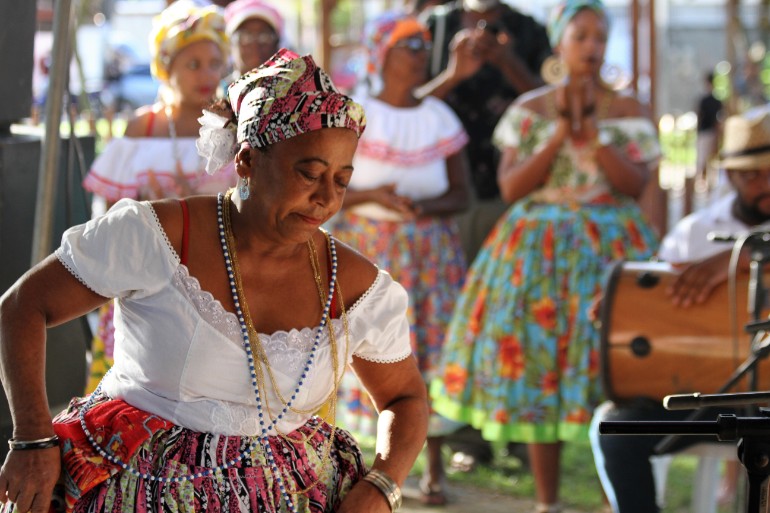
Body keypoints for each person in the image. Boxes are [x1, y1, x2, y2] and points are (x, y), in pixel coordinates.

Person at [0, 48, 428, 513]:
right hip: (132, 485)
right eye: (309, 173)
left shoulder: (357, 285)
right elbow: (22, 305)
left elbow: (405, 397)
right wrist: (31, 438)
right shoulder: (156, 236)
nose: (326, 199)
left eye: (342, 181)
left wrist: (382, 485)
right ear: (246, 161)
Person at [428, 2, 661, 512]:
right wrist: (558, 133)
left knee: (611, 369)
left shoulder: (630, 110)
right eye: (581, 36)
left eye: (600, 37)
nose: (592, 48)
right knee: (537, 364)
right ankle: (547, 502)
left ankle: (615, 499)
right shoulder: (530, 110)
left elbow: (636, 183)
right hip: (536, 251)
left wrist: (593, 137)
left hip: (608, 252)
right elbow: (512, 185)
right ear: (560, 42)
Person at [590, 105, 770, 513]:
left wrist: (740, 259)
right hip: (706, 395)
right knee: (617, 429)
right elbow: (656, 299)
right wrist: (626, 307)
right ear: (730, 175)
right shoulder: (695, 232)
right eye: (753, 174)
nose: (767, 183)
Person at [329, 12, 470, 506]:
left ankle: (429, 468)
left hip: (430, 251)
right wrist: (377, 195)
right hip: (368, 247)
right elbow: (329, 184)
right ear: (380, 52)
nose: (417, 54)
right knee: (358, 350)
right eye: (407, 45)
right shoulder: (356, 112)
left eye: (421, 46)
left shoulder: (438, 117)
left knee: (425, 350)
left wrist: (420, 207)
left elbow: (462, 193)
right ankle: (356, 463)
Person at [80, 1, 237, 394]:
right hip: (147, 274)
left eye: (214, 62)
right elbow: (108, 214)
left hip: (219, 275)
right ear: (167, 66)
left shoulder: (235, 129)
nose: (207, 74)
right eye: (193, 63)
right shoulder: (143, 128)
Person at [417, 0, 552, 262]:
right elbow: (409, 105)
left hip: (512, 194)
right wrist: (452, 75)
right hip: (444, 196)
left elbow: (550, 108)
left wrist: (509, 64)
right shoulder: (435, 26)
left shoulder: (530, 30)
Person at [686, 70, 723, 215]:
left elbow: (712, 119)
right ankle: (702, 186)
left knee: (704, 160)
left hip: (706, 134)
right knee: (704, 161)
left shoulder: (710, 100)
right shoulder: (712, 100)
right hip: (707, 133)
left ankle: (704, 186)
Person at [223, 0, 284, 82]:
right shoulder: (214, 91)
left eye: (264, 36)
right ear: (231, 44)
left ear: (276, 44)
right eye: (246, 36)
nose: (255, 45)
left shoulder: (295, 92)